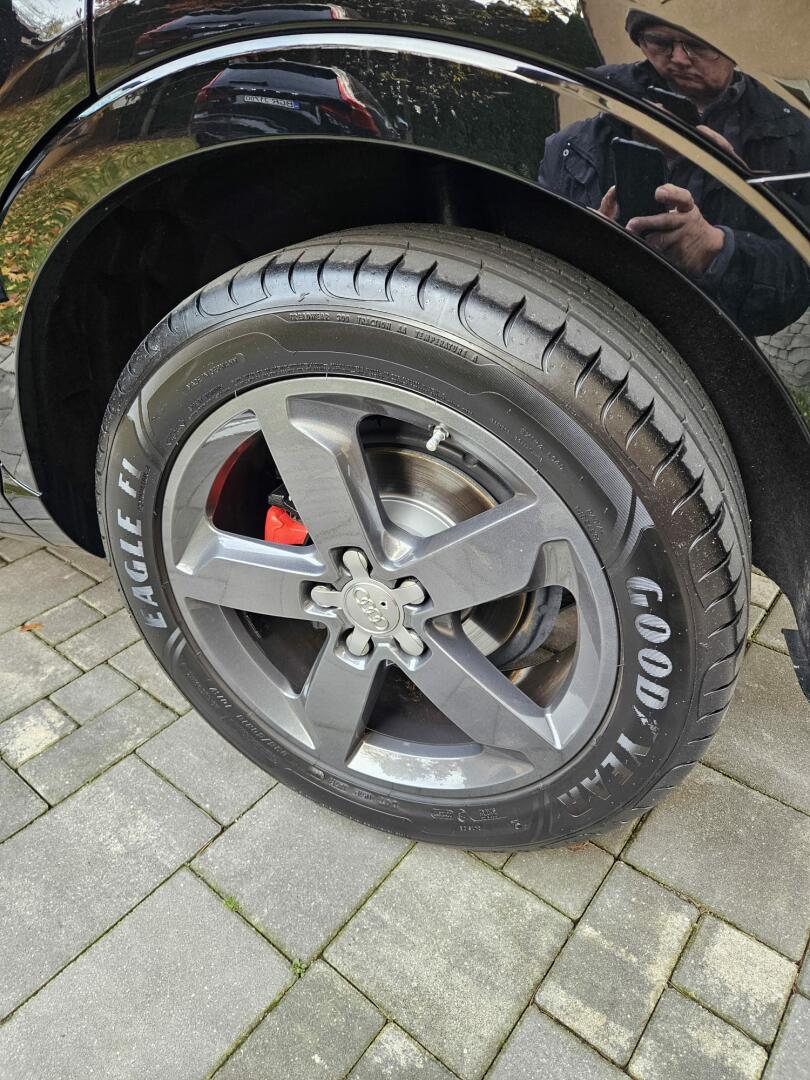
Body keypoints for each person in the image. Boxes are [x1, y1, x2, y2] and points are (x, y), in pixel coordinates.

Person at [538, 11, 810, 337]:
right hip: (590, 334)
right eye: (660, 42)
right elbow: (537, 257)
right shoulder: (582, 124)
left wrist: (715, 249)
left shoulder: (793, 137)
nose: (679, 58)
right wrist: (589, 242)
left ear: (733, 45)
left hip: (705, 352)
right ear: (640, 41)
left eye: (698, 44)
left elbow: (798, 281)